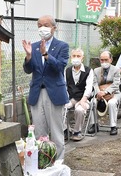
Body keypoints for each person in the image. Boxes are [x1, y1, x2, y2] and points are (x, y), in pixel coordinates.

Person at [22, 15, 69, 160]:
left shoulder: (62, 46)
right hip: (37, 92)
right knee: (39, 132)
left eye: (46, 25)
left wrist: (46, 55)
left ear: (54, 28)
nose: (43, 28)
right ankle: (42, 162)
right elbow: (28, 70)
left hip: (54, 92)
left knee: (56, 131)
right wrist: (29, 56)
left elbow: (60, 67)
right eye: (40, 25)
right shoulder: (34, 46)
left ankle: (58, 162)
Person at [88, 51, 121, 135]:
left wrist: (106, 92)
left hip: (113, 93)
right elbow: (94, 83)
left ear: (111, 60)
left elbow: (116, 84)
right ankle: (94, 124)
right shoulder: (96, 70)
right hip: (99, 93)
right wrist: (99, 92)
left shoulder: (116, 70)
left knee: (112, 103)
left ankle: (113, 126)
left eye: (106, 60)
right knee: (93, 102)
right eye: (102, 60)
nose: (104, 62)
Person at [65, 48, 93, 141]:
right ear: (70, 57)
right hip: (71, 98)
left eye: (78, 56)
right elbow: (64, 86)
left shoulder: (89, 71)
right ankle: (66, 130)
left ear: (82, 58)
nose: (76, 58)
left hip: (83, 98)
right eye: (74, 56)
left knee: (80, 110)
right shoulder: (67, 71)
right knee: (61, 108)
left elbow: (89, 87)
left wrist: (83, 100)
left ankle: (77, 132)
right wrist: (66, 99)